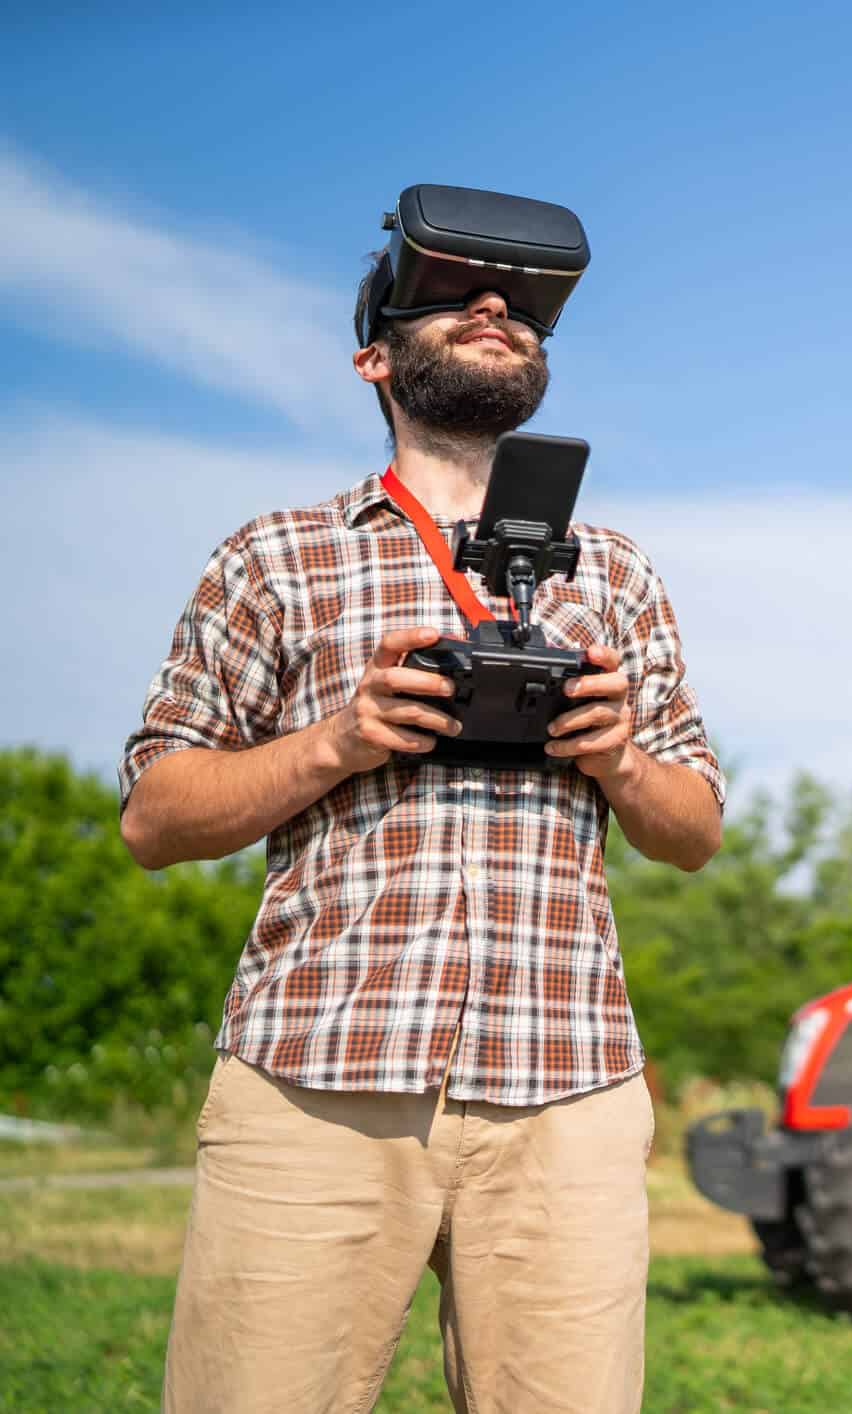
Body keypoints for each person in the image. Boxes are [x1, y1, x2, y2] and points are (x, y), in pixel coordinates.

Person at [119, 232, 724, 1412]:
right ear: (374, 360)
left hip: (569, 1088)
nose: (497, 305)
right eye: (454, 293)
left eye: (523, 304)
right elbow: (154, 816)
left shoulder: (616, 573)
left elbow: (695, 827)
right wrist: (341, 739)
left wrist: (615, 757)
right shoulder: (274, 558)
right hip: (318, 1081)